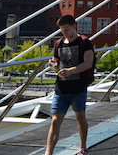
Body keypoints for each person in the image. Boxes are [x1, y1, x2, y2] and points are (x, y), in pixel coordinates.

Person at [45, 15, 95, 155]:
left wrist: (70, 71)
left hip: (78, 87)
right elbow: (56, 62)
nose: (64, 33)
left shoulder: (84, 43)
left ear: (74, 27)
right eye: (62, 30)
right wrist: (52, 65)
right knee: (55, 120)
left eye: (66, 29)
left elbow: (88, 63)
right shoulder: (59, 43)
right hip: (61, 88)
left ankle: (82, 147)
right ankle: (48, 153)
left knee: (80, 117)